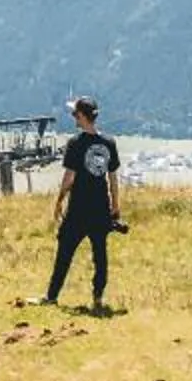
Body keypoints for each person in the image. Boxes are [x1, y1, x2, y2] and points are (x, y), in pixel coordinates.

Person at [44, 95, 125, 309]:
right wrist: (115, 206)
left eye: (74, 114)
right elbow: (113, 178)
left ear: (81, 117)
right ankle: (98, 298)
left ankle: (52, 296)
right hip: (101, 208)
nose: (74, 118)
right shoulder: (109, 143)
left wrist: (60, 200)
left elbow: (69, 177)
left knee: (65, 253)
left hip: (78, 208)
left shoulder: (76, 143)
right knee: (100, 254)